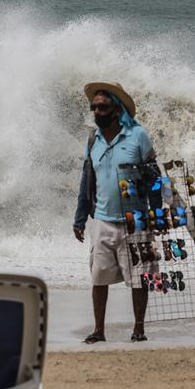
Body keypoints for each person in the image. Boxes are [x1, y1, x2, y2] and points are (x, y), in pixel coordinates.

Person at [73, 82, 157, 343]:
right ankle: (99, 330)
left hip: (136, 221)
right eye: (94, 107)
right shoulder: (92, 140)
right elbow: (88, 181)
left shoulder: (138, 136)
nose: (97, 112)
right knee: (98, 277)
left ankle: (139, 328)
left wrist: (157, 213)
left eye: (103, 107)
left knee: (139, 278)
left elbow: (155, 175)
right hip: (102, 220)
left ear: (117, 109)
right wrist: (79, 217)